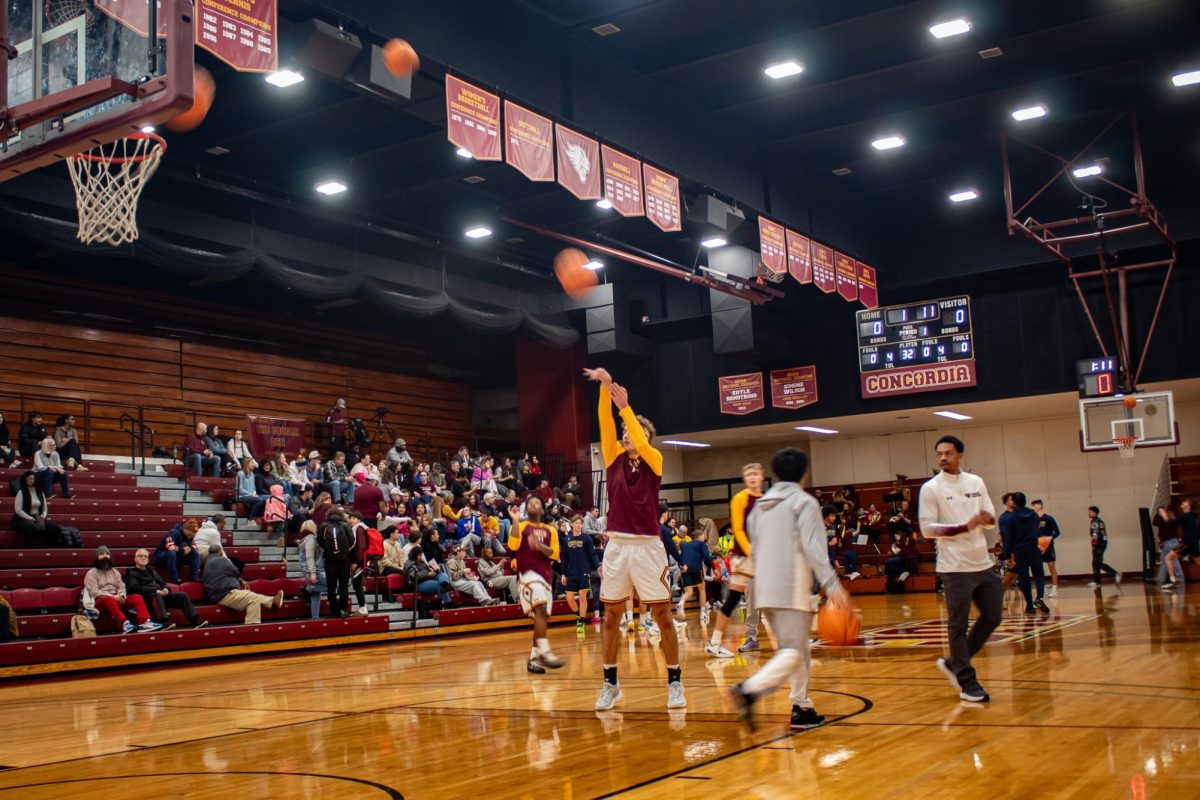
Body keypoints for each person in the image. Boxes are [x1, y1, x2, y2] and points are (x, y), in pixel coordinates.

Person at [725, 448, 851, 732]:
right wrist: (832, 586)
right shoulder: (804, 503)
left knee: (795, 649)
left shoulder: (761, 505)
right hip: (791, 584)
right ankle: (748, 690)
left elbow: (753, 545)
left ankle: (802, 707)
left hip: (763, 585)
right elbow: (814, 548)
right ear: (804, 473)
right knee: (794, 650)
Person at [583, 366, 684, 711]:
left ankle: (674, 681)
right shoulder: (612, 458)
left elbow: (640, 437)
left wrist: (626, 407)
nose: (626, 433)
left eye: (633, 431)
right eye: (625, 430)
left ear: (646, 437)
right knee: (611, 616)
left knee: (663, 616)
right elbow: (604, 423)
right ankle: (610, 684)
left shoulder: (655, 459)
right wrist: (605, 388)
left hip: (648, 547)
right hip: (618, 547)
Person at [918, 435, 1002, 703]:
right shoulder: (931, 488)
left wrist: (987, 520)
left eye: (949, 453)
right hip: (954, 567)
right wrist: (965, 526)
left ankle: (954, 662)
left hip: (982, 563)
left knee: (993, 616)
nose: (943, 458)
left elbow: (989, 519)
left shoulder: (975, 482)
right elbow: (927, 529)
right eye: (939, 454)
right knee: (958, 625)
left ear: (960, 455)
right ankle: (967, 682)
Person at [707, 463, 766, 658]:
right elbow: (739, 529)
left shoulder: (768, 500)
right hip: (745, 558)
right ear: (744, 478)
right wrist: (751, 553)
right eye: (749, 474)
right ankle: (720, 641)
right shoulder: (740, 499)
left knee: (777, 598)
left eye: (756, 473)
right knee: (742, 600)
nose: (752, 477)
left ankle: (790, 640)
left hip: (766, 558)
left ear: (762, 476)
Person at [505, 497, 564, 673]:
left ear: (542, 509)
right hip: (527, 575)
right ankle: (545, 652)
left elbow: (554, 554)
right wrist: (515, 520)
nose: (533, 505)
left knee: (541, 618)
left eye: (537, 503)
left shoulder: (550, 530)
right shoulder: (521, 526)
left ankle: (533, 659)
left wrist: (539, 546)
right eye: (530, 503)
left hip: (545, 577)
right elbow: (512, 544)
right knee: (541, 609)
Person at [83, 546, 162, 633]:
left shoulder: (115, 572)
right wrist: (113, 597)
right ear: (97, 557)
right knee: (109, 599)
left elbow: (121, 586)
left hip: (115, 598)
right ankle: (124, 623)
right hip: (99, 601)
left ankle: (144, 623)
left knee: (137, 597)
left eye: (107, 554)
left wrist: (122, 595)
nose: (105, 556)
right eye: (102, 554)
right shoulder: (91, 573)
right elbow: (94, 592)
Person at [124, 549, 206, 630]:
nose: (143, 558)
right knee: (157, 595)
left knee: (182, 595)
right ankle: (164, 623)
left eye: (145, 556)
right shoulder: (131, 572)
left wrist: (166, 589)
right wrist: (155, 590)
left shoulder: (151, 571)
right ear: (135, 559)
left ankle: (195, 622)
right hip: (147, 599)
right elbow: (133, 587)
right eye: (140, 556)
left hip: (160, 596)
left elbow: (163, 583)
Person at [203, 545, 283, 623]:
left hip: (222, 594)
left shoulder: (208, 562)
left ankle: (252, 626)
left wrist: (240, 580)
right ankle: (272, 601)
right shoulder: (221, 560)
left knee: (254, 601)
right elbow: (236, 571)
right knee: (252, 596)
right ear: (220, 552)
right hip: (224, 594)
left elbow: (227, 575)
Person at [999, 492, 1049, 615]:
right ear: (1026, 501)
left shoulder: (1010, 518)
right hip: (1032, 547)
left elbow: (1008, 538)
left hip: (1019, 550)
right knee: (1039, 574)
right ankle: (1040, 597)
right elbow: (1036, 530)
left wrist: (1007, 554)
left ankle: (1030, 605)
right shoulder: (1033, 515)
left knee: (1024, 578)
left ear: (1014, 502)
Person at [561, 513, 599, 631]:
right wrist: (563, 574)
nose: (578, 525)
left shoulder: (586, 538)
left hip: (583, 572)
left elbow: (592, 555)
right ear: (572, 524)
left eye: (580, 523)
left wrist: (597, 567)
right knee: (569, 598)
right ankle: (578, 615)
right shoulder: (567, 539)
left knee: (582, 597)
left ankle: (581, 621)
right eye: (576, 523)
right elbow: (565, 558)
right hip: (571, 573)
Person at [10, 470, 66, 547]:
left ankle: (49, 550)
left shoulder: (40, 492)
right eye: (27, 479)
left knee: (55, 529)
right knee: (31, 528)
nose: (28, 480)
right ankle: (28, 550)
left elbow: (44, 508)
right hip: (21, 518)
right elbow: (18, 510)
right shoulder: (21, 492)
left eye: (31, 479)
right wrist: (29, 518)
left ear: (35, 480)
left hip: (37, 518)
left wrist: (43, 516)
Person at [318, 508, 354, 617]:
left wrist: (327, 549)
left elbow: (319, 540)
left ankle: (334, 610)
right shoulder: (345, 525)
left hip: (329, 560)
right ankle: (343, 610)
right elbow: (352, 540)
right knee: (343, 586)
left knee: (331, 586)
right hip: (344, 560)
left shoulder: (324, 525)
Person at [676, 527, 715, 624]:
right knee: (702, 589)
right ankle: (702, 613)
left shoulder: (685, 544)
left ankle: (681, 602)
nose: (704, 538)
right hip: (696, 568)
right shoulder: (702, 544)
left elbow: (680, 557)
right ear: (700, 536)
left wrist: (681, 566)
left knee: (689, 591)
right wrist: (713, 567)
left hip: (685, 569)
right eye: (703, 536)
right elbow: (707, 556)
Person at [155, 518, 202, 583]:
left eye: (193, 534)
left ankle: (194, 577)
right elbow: (169, 546)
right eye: (191, 534)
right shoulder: (174, 532)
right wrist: (182, 550)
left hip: (177, 557)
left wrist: (190, 549)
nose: (192, 536)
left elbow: (194, 546)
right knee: (172, 553)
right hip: (162, 557)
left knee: (195, 554)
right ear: (186, 529)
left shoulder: (191, 536)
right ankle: (174, 578)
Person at [1031, 500, 1061, 598]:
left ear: (1040, 506)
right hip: (1038, 547)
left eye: (1034, 505)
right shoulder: (1033, 520)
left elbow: (1057, 531)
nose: (1033, 508)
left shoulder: (1048, 518)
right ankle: (1042, 589)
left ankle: (1055, 589)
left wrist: (1049, 538)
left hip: (1048, 547)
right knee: (1039, 569)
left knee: (1051, 568)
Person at [297, 520, 327, 619]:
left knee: (316, 594)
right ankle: (307, 588)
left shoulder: (302, 539)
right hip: (315, 570)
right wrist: (313, 573)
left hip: (308, 570)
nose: (316, 527)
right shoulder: (310, 538)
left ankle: (315, 617)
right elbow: (310, 557)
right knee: (333, 585)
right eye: (314, 525)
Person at [1086, 506, 1121, 588]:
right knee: (1095, 563)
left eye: (1090, 512)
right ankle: (1097, 582)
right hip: (1102, 544)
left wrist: (1093, 546)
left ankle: (1115, 573)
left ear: (1095, 513)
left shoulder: (1095, 522)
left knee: (1097, 563)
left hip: (1099, 545)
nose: (1088, 513)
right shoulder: (1100, 521)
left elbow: (1095, 535)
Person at [345, 510, 371, 616]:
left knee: (357, 584)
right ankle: (363, 607)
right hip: (359, 560)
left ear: (359, 519)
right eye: (350, 518)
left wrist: (355, 562)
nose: (351, 520)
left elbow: (360, 546)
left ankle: (363, 608)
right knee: (357, 584)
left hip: (359, 561)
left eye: (354, 518)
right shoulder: (358, 528)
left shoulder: (359, 528)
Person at [1152, 506, 1185, 590]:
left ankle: (1180, 578)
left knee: (1174, 561)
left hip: (1172, 542)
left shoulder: (1170, 519)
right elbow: (1155, 523)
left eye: (1161, 511)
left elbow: (1174, 529)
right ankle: (1161, 578)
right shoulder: (1162, 519)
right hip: (1167, 542)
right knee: (1164, 561)